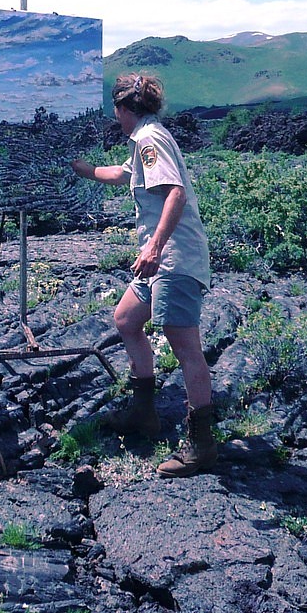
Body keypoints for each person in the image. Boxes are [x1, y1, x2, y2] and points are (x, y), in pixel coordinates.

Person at [71, 73, 217, 477]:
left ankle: (201, 444)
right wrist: (82, 169)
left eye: (115, 111)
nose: (115, 118)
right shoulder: (144, 142)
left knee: (184, 344)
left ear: (123, 109)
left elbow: (175, 192)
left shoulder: (150, 140)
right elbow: (122, 175)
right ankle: (143, 412)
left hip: (173, 259)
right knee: (126, 319)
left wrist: (153, 247)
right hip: (160, 259)